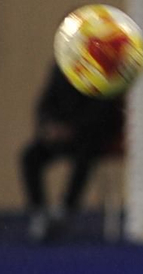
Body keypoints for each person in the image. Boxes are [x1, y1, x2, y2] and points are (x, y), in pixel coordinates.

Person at [20, 63, 129, 243]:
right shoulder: (61, 69)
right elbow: (45, 103)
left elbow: (103, 111)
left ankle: (65, 209)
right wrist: (49, 126)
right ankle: (39, 213)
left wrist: (73, 129)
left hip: (89, 135)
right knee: (30, 156)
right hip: (61, 134)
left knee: (86, 155)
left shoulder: (102, 69)